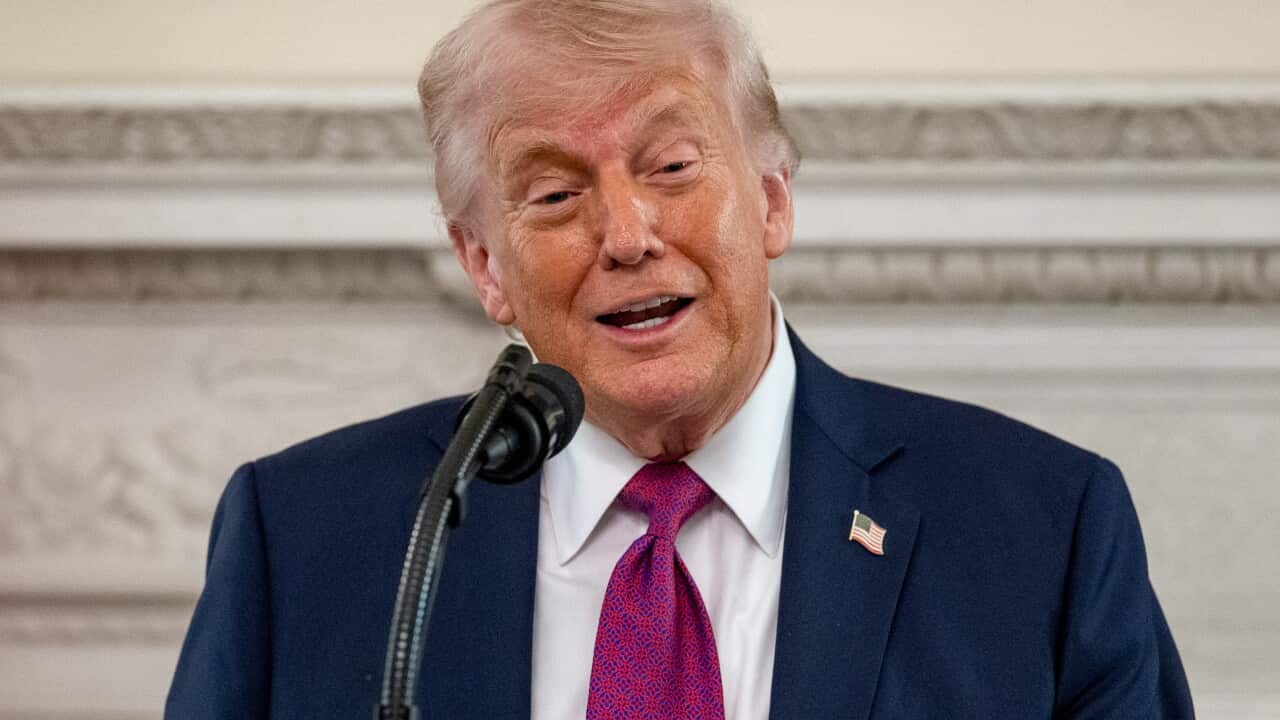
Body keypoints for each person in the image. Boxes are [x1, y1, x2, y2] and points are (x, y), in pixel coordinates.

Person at [166, 1, 1194, 718]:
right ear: (484, 264)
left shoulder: (1038, 528)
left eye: (670, 166)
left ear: (772, 200)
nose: (625, 233)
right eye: (554, 195)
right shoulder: (304, 537)